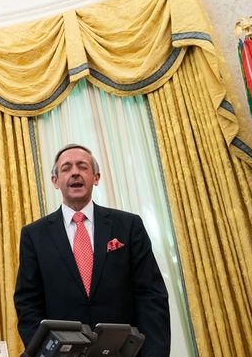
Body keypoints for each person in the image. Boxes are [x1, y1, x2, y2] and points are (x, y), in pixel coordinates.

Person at [13, 144, 170, 357]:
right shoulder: (34, 235)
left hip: (125, 351)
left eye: (83, 166)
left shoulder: (128, 225)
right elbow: (28, 302)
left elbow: (151, 295)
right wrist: (43, 352)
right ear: (55, 181)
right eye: (66, 168)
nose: (75, 172)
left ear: (96, 177)